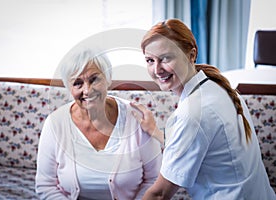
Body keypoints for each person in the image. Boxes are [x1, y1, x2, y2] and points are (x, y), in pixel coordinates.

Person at [131, 19, 276, 199]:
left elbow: (159, 194)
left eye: (166, 58)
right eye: (150, 60)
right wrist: (154, 131)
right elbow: (197, 145)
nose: (157, 69)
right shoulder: (219, 87)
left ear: (191, 55)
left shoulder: (193, 114)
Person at [35, 47, 162, 199]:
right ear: (69, 88)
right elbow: (45, 185)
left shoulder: (136, 118)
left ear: (108, 79)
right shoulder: (55, 123)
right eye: (77, 83)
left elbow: (154, 180)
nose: (87, 90)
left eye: (94, 79)